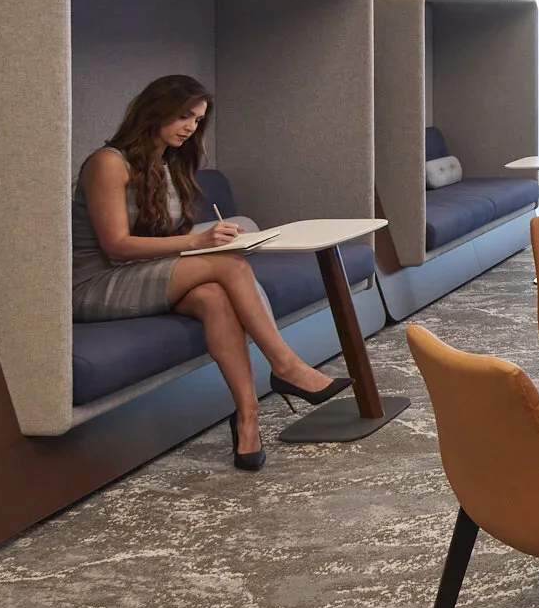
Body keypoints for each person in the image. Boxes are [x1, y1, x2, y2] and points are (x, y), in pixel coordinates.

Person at [73, 74, 350, 471]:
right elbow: (116, 246)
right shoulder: (107, 163)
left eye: (198, 120)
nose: (191, 127)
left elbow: (165, 235)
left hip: (144, 272)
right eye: (184, 116)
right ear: (155, 110)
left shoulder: (165, 163)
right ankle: (286, 366)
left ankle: (248, 417)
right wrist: (198, 244)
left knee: (213, 297)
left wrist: (213, 235)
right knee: (227, 264)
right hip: (97, 283)